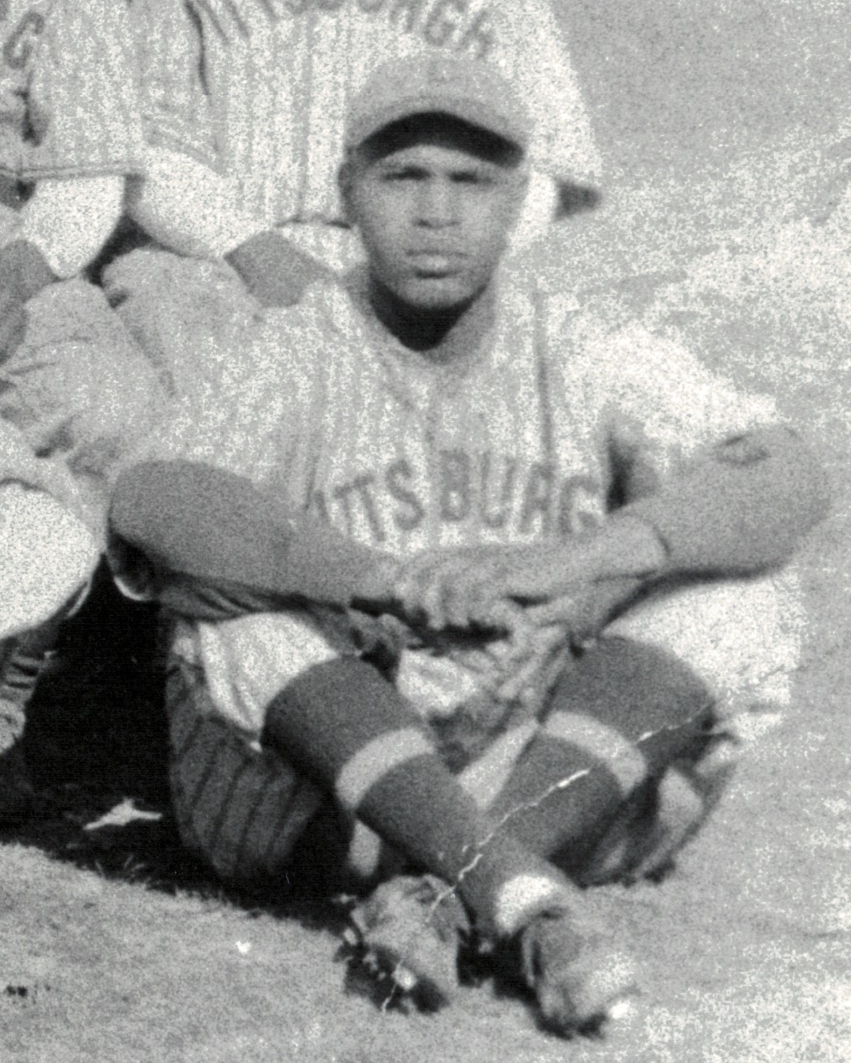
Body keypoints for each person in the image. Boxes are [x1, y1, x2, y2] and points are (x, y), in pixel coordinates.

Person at [106, 56, 828, 1033]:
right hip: (327, 798)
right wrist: (377, 579)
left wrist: (570, 570)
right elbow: (155, 499)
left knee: (743, 595)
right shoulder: (296, 345)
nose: (436, 211)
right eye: (403, 177)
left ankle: (461, 891)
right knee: (236, 620)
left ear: (517, 197)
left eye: (471, 179)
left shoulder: (573, 342)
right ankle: (528, 900)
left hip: (529, 762)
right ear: (345, 196)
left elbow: (784, 472)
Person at [127, 0, 601, 304]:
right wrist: (256, 253)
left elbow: (542, 165)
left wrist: (441, 265)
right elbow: (143, 144)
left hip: (421, 257)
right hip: (210, 251)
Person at [0, 0, 163, 823]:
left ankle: (14, 682)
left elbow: (84, 182)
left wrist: (19, 267)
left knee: (120, 411)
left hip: (12, 246)